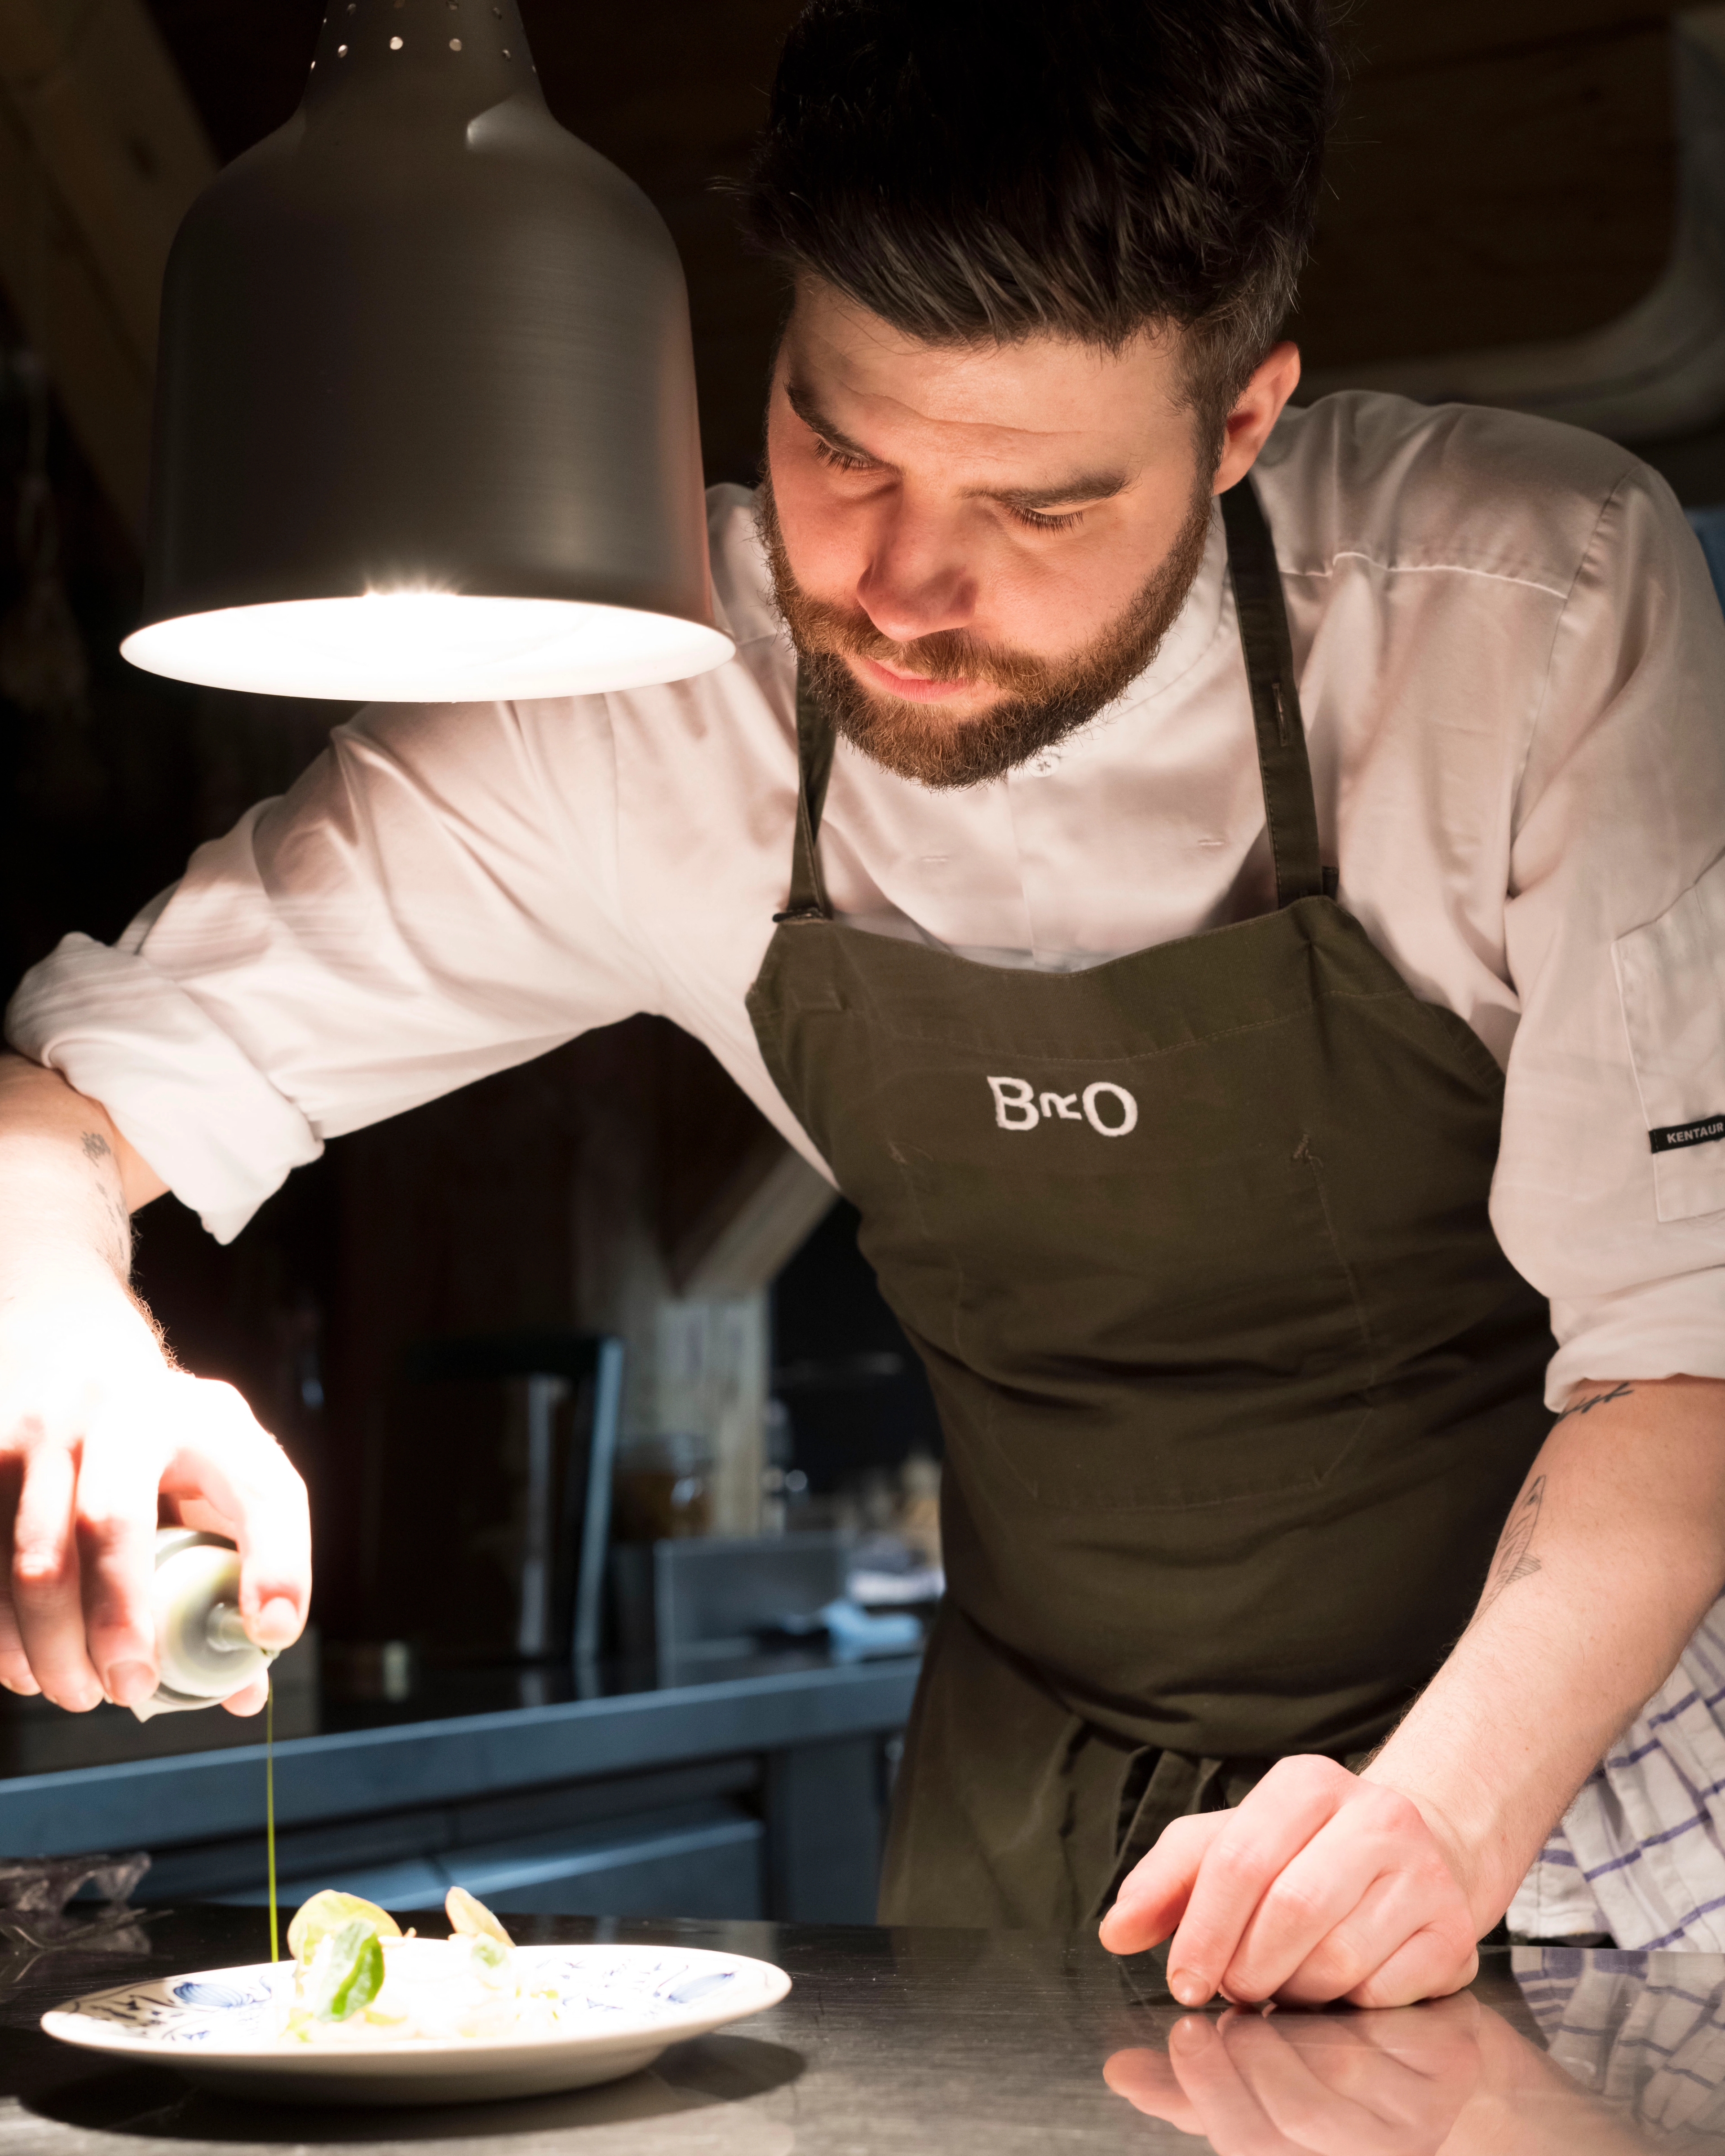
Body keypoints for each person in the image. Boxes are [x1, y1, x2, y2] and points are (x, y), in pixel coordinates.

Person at [4, 0, 1725, 2006]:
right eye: (841, 441)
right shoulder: (649, 716)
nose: (906, 586)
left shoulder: (1528, 620)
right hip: (1026, 1806)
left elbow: (1683, 1360)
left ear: (1243, 421)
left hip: (1544, 1777)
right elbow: (72, 1101)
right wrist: (66, 1350)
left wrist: (1433, 1817)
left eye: (1044, 508)